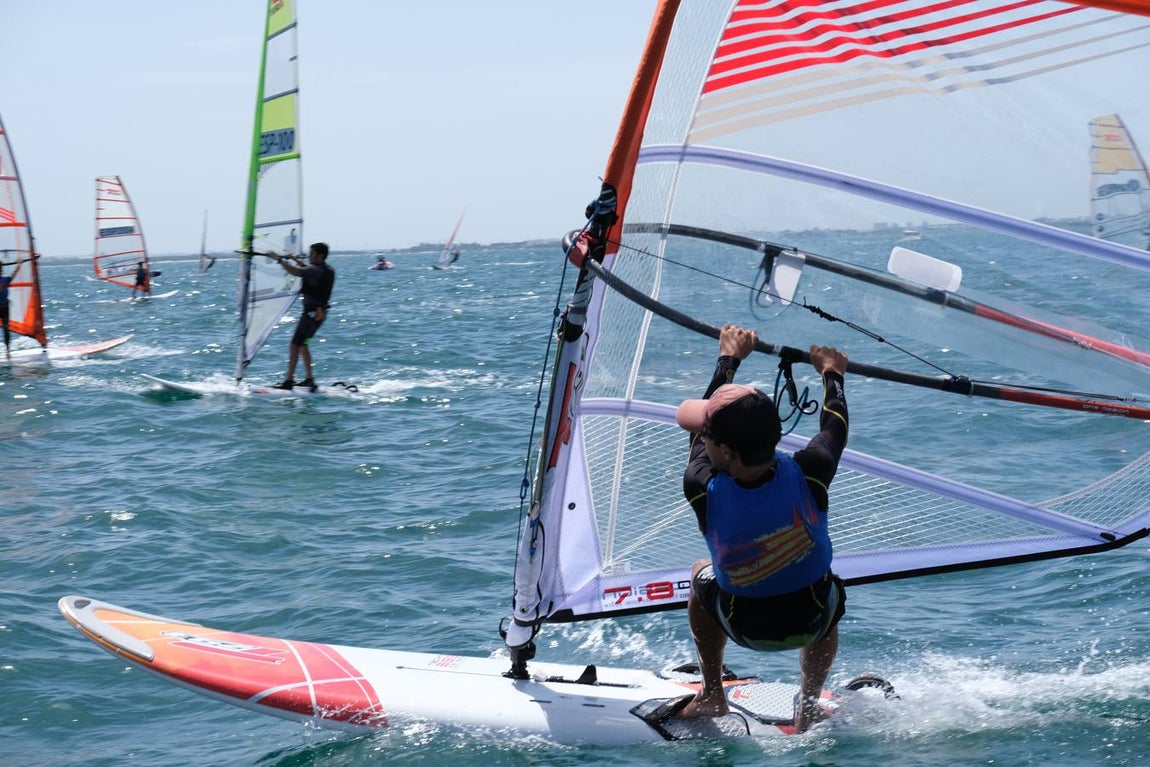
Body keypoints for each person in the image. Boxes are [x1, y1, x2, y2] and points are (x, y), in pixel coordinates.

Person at [673, 323, 850, 733]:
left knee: (701, 570)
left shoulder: (701, 487)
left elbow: (703, 431)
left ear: (725, 451)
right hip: (813, 619)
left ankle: (713, 694)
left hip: (742, 624)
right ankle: (807, 706)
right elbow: (834, 425)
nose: (703, 438)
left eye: (708, 436)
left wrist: (729, 359)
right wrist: (832, 373)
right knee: (826, 585)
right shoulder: (812, 471)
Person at [270, 242, 335, 392]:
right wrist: (296, 261)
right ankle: (309, 380)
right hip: (320, 315)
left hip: (311, 315)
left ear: (320, 256)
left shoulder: (315, 270)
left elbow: (298, 272)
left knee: (295, 345)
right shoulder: (327, 269)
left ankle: (288, 381)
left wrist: (278, 260)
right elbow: (307, 270)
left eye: (312, 253)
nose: (309, 255)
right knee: (303, 344)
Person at [0, 254, 35, 360]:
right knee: (6, 329)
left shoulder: (5, 280)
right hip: (4, 307)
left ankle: (8, 351)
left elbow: (13, 275)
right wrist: (18, 265)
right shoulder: (4, 281)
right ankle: (7, 351)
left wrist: (19, 265)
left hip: (4, 308)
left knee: (6, 329)